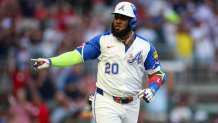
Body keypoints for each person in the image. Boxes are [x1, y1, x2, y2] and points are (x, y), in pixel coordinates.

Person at [31, 1, 166, 123]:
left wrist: (152, 89)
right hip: (106, 101)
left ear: (133, 22)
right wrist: (50, 61)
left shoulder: (145, 46)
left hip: (132, 104)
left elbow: (158, 74)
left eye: (123, 18)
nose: (118, 21)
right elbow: (76, 55)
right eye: (116, 17)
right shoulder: (102, 40)